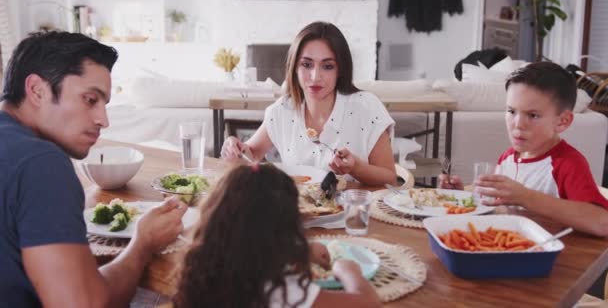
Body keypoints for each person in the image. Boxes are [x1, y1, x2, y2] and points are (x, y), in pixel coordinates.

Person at [0, 31, 187, 307]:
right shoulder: (41, 163)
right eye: (90, 99)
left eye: (105, 104)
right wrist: (143, 243)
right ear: (37, 90)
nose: (103, 119)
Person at [173, 163, 381, 308]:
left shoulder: (204, 269)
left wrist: (300, 251)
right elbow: (368, 303)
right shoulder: (280, 292)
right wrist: (347, 270)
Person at [439, 62, 608, 237]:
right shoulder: (508, 158)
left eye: (533, 115)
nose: (518, 124)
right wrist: (459, 196)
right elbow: (498, 207)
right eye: (511, 111)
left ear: (562, 121)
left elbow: (603, 223)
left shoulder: (568, 164)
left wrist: (525, 197)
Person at [221, 21, 396, 186]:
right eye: (306, 64)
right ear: (294, 67)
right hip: (299, 213)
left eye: (327, 66)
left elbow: (390, 178)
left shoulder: (366, 108)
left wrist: (356, 168)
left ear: (340, 70)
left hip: (353, 213)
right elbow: (250, 154)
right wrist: (235, 148)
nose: (315, 77)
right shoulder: (282, 110)